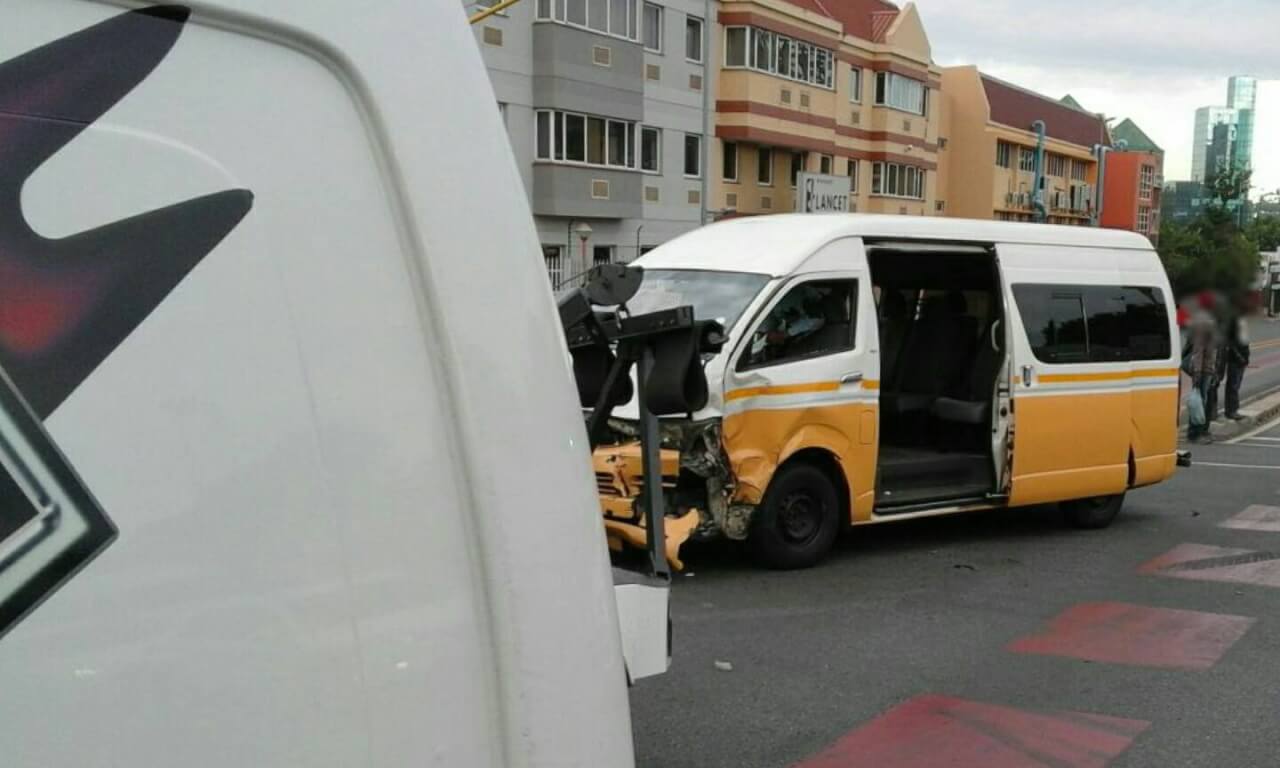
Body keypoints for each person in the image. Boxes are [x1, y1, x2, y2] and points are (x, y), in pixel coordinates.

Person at [1185, 291, 1221, 443]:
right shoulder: (1203, 321)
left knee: (1201, 401)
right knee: (1199, 402)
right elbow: (1198, 349)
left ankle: (1197, 432)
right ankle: (1195, 433)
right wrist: (1198, 373)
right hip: (1203, 370)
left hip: (1207, 368)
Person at [1224, 305, 1250, 420]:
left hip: (1242, 358)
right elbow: (1230, 343)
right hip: (1235, 359)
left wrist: (1246, 357)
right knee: (1233, 386)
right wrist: (1239, 357)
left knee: (1236, 385)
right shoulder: (1232, 321)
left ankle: (1234, 409)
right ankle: (1231, 411)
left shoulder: (1242, 321)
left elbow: (1245, 342)